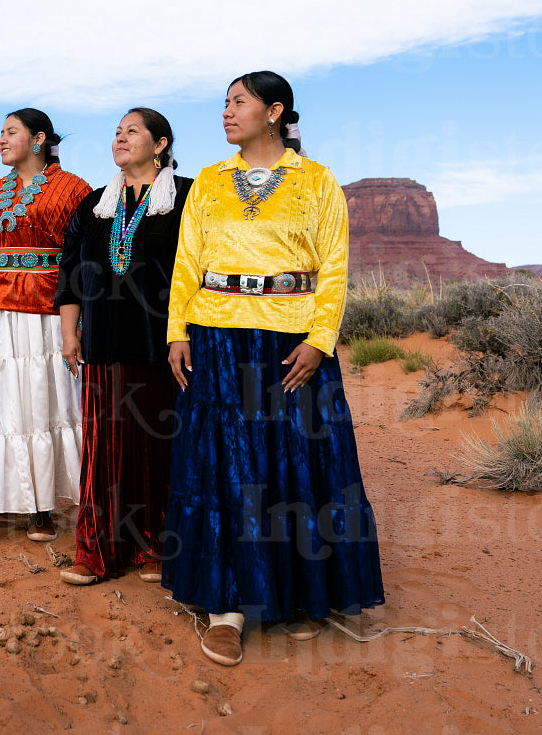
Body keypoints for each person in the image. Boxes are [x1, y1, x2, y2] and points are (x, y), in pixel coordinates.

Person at [163, 71, 384, 667]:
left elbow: (334, 266)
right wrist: (177, 328)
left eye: (239, 102)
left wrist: (321, 339)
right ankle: (227, 607)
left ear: (275, 111)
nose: (227, 112)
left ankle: (299, 594)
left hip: (291, 342)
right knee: (228, 466)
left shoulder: (316, 181)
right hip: (219, 337)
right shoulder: (209, 181)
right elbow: (188, 258)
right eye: (225, 104)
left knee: (295, 465)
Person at [55, 108, 192, 586]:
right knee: (103, 450)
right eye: (116, 132)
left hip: (164, 344)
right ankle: (95, 549)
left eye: (132, 131)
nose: (120, 138)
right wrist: (71, 334)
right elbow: (69, 277)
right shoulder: (94, 206)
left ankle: (154, 544)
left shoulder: (188, 198)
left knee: (159, 446)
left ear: (160, 145)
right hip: (103, 342)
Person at [0, 109, 92, 550]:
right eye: (0, 134)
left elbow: (84, 260)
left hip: (48, 314)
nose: (2, 141)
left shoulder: (75, 190)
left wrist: (80, 319)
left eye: (11, 133)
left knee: (41, 408)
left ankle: (40, 508)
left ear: (39, 139)